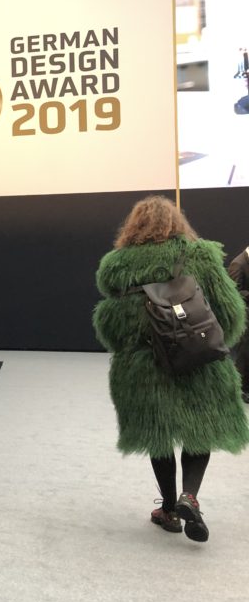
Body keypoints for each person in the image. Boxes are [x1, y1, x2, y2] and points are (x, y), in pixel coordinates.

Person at [92, 196, 248, 543]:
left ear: (132, 227)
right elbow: (231, 311)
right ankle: (189, 496)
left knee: (158, 432)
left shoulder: (117, 266)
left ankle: (168, 509)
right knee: (199, 428)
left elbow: (109, 325)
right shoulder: (200, 255)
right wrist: (205, 342)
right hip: (200, 362)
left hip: (144, 367)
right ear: (178, 223)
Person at [227, 244, 249, 403]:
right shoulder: (238, 264)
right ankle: (241, 389)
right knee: (244, 353)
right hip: (245, 315)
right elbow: (234, 292)